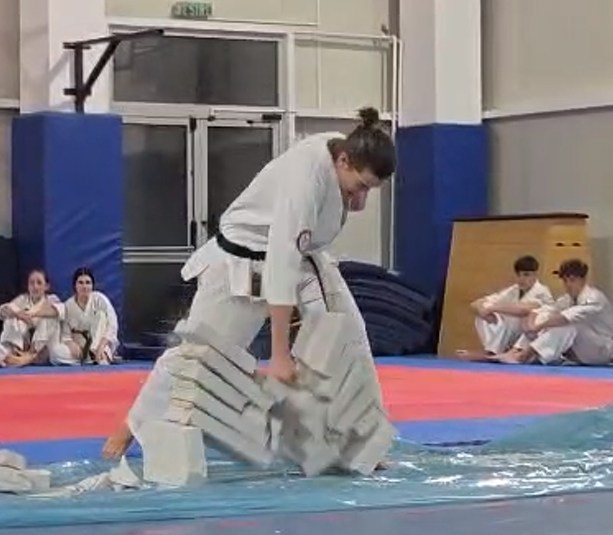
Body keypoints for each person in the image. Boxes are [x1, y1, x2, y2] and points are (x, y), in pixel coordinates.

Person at [102, 107, 396, 460]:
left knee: (349, 333)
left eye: (371, 190)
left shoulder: (341, 150)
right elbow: (280, 268)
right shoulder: (305, 180)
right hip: (240, 262)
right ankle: (130, 427)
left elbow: (295, 256)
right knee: (199, 358)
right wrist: (280, 355)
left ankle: (363, 445)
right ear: (344, 161)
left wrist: (354, 193)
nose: (361, 199)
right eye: (361, 186)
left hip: (303, 259)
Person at [498, 259, 613, 365]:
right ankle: (516, 351)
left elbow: (564, 318)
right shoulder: (567, 299)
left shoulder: (594, 298)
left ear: (583, 280)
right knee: (545, 317)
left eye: (572, 280)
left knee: (566, 325)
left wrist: (538, 327)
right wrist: (532, 323)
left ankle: (524, 356)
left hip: (600, 348)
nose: (568, 285)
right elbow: (543, 311)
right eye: (565, 281)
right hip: (580, 350)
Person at [456, 255, 554, 362]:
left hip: (531, 335)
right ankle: (492, 352)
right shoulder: (513, 290)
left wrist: (493, 308)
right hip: (513, 333)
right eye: (519, 275)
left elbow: (524, 310)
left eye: (526, 275)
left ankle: (501, 353)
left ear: (535, 275)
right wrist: (484, 311)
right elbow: (475, 304)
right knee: (484, 315)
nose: (521, 279)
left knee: (515, 316)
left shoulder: (542, 292)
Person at [48, 267, 119, 366]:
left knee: (101, 315)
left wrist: (101, 347)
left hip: (100, 344)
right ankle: (86, 360)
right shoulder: (68, 305)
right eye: (80, 283)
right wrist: (70, 344)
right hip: (79, 347)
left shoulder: (100, 299)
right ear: (75, 286)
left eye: (88, 283)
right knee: (55, 353)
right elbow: (65, 335)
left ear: (92, 285)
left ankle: (98, 354)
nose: (84, 286)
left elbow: (112, 326)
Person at [0, 269, 63, 367]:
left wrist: (31, 314)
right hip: (22, 346)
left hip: (42, 351)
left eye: (39, 283)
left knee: (50, 318)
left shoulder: (51, 299)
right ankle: (12, 353)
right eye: (31, 283)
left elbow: (57, 310)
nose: (35, 287)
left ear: (46, 286)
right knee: (11, 317)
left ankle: (28, 357)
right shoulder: (22, 299)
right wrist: (18, 313)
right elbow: (3, 309)